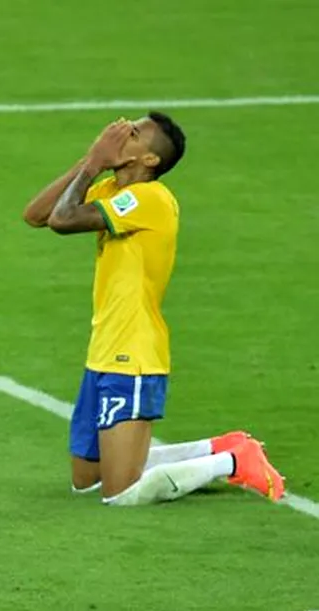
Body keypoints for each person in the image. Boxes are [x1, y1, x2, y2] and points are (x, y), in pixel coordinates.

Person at [21, 113, 285, 506]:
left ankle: (231, 461)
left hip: (135, 354)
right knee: (86, 480)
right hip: (103, 350)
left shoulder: (151, 200)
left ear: (149, 161)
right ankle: (217, 446)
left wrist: (93, 163)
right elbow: (37, 215)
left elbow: (63, 220)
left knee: (121, 494)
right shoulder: (112, 190)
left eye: (135, 133)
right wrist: (90, 162)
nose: (122, 132)